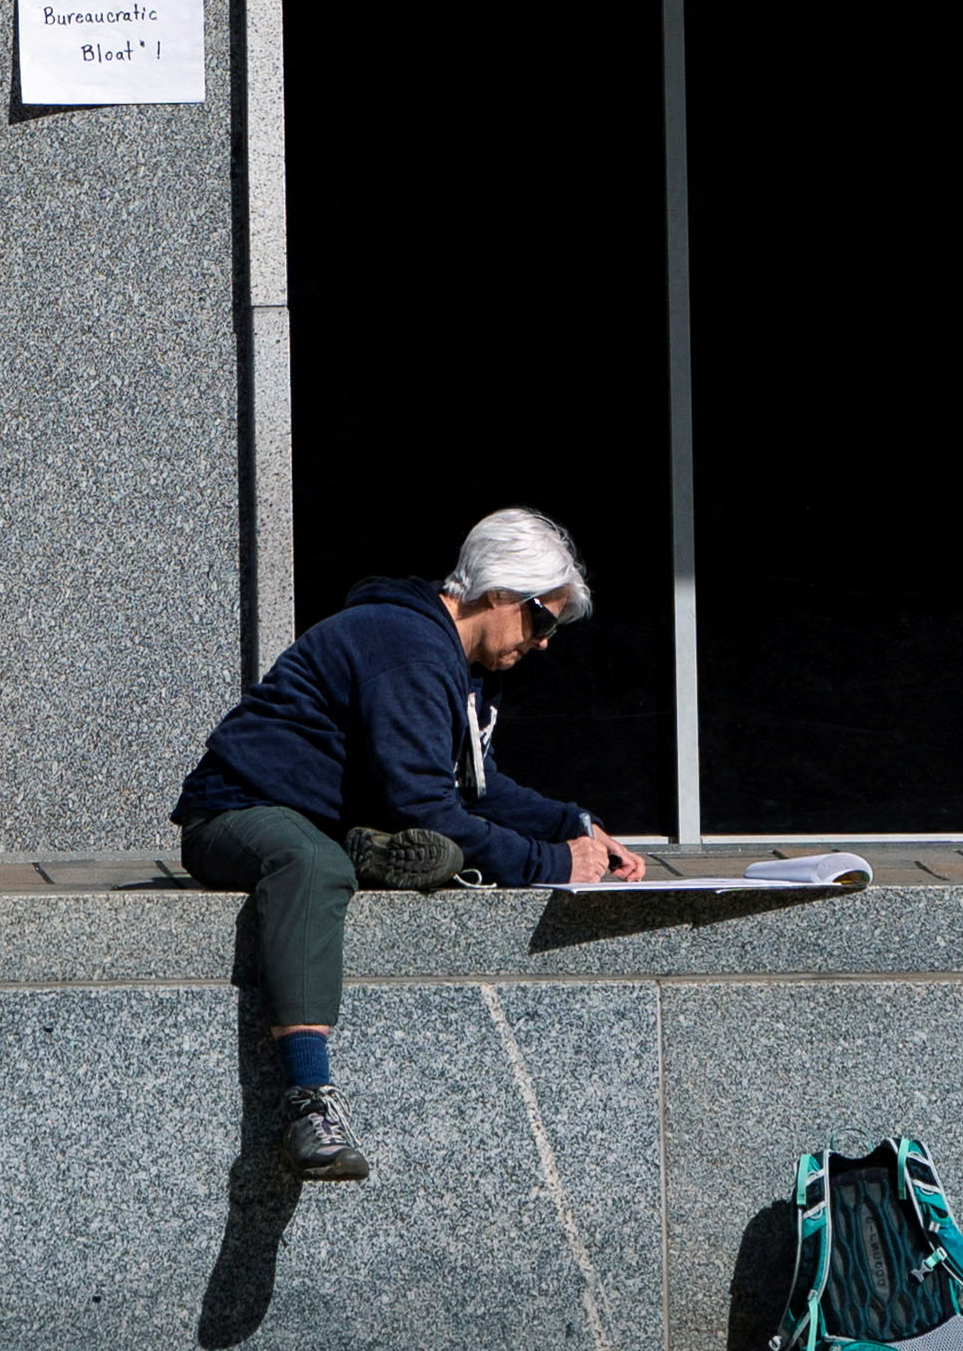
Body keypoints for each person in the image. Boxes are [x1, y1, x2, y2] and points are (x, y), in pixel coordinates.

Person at [169, 504, 651, 1182]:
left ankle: (370, 855)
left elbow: (473, 789)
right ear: (499, 592)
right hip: (235, 812)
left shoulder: (449, 661)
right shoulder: (409, 648)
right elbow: (427, 802)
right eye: (542, 619)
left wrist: (571, 823)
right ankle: (308, 1100)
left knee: (405, 847)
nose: (544, 642)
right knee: (314, 864)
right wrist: (549, 863)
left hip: (317, 812)